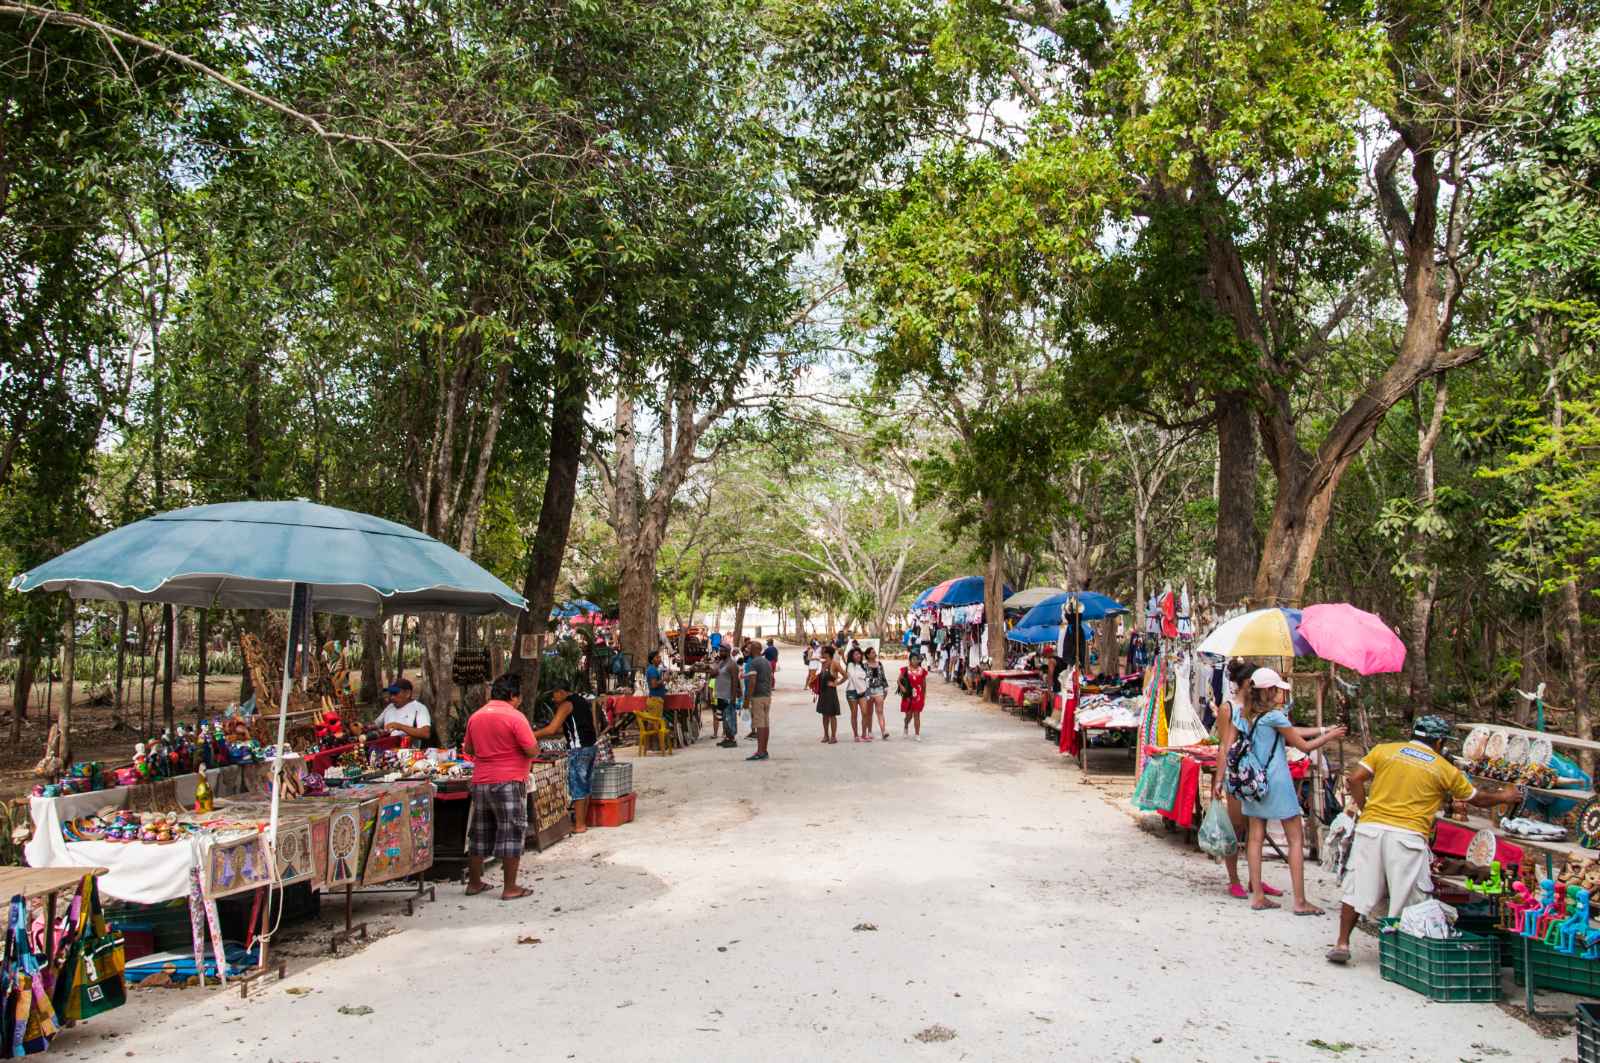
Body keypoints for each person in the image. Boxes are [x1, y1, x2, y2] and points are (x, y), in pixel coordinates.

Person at [1326, 715, 1523, 964]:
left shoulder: (1384, 751)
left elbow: (1354, 779)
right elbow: (1478, 799)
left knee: (1357, 888)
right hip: (1407, 836)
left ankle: (1342, 943)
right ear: (1439, 742)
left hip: (1371, 830)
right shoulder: (1443, 768)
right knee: (1409, 898)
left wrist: (1366, 809)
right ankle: (1401, 952)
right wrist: (1505, 795)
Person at [1232, 667, 1346, 914]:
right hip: (1277, 782)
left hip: (1253, 782)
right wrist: (1330, 736)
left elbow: (1289, 733)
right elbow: (1303, 745)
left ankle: (1258, 896)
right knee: (1296, 839)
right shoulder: (1274, 717)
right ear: (1271, 691)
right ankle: (1300, 901)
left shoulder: (1245, 714)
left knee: (1255, 838)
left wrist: (1323, 729)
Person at [1212, 659, 1285, 901]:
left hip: (1260, 775)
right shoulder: (1229, 709)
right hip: (1238, 775)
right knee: (1236, 827)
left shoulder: (1263, 709)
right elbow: (1225, 745)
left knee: (1257, 830)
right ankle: (1234, 879)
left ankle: (1256, 880)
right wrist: (1219, 780)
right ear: (1246, 683)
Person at [462, 673, 536, 899]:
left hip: (481, 781)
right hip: (509, 780)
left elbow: (470, 749)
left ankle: (474, 883)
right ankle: (510, 887)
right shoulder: (515, 717)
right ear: (513, 696)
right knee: (511, 831)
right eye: (519, 696)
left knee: (479, 832)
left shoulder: (476, 716)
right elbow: (532, 750)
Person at [538, 687, 601, 833]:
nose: (553, 699)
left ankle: (579, 825)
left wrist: (531, 734)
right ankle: (582, 821)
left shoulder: (566, 705)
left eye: (554, 695)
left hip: (578, 750)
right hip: (590, 747)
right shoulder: (582, 701)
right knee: (585, 786)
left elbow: (552, 729)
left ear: (561, 692)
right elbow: (567, 727)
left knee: (578, 787)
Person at [741, 639, 774, 761]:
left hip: (758, 697)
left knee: (759, 724)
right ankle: (764, 750)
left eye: (749, 649)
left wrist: (747, 699)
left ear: (754, 650)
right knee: (765, 724)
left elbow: (752, 682)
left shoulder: (754, 663)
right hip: (766, 696)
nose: (747, 651)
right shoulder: (767, 662)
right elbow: (770, 679)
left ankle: (760, 752)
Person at [376, 678, 433, 747]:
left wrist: (399, 726)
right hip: (386, 748)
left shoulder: (419, 708)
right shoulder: (390, 707)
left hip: (407, 751)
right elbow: (376, 724)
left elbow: (425, 733)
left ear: (407, 694)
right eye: (391, 694)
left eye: (395, 693)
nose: (392, 697)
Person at [815, 644, 843, 744]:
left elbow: (845, 675)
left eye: (822, 652)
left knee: (832, 715)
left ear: (827, 653)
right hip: (823, 692)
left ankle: (833, 736)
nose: (821, 653)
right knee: (824, 715)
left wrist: (836, 683)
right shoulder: (823, 664)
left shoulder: (834, 664)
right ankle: (826, 735)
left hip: (831, 692)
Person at [898, 653, 928, 740]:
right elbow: (899, 680)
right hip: (908, 695)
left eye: (917, 659)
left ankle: (917, 734)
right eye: (913, 659)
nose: (915, 661)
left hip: (918, 695)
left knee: (917, 714)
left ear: (919, 660)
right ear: (910, 660)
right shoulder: (905, 670)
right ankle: (906, 725)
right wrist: (902, 687)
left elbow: (924, 685)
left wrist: (923, 696)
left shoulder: (922, 671)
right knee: (909, 715)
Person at [713, 649, 739, 748]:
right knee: (724, 717)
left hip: (728, 696)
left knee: (729, 717)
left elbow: (735, 681)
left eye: (723, 651)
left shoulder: (732, 665)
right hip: (720, 695)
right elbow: (714, 674)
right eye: (720, 651)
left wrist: (733, 697)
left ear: (728, 652)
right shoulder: (721, 663)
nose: (721, 653)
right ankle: (727, 738)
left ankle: (732, 739)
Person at [845, 647, 871, 742]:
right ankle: (856, 735)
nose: (858, 655)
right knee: (854, 714)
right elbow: (853, 677)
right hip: (852, 691)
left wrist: (867, 694)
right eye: (856, 654)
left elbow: (867, 680)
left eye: (859, 654)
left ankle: (864, 734)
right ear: (852, 656)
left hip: (863, 692)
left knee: (865, 713)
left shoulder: (863, 666)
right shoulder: (850, 665)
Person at [864, 646, 890, 740]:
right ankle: (869, 732)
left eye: (874, 652)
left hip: (879, 689)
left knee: (880, 711)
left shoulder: (879, 664)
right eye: (872, 652)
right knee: (869, 712)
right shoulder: (864, 665)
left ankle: (883, 731)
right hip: (869, 690)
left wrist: (886, 688)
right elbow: (862, 679)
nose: (874, 653)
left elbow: (883, 676)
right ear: (867, 655)